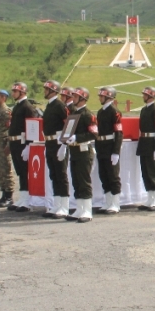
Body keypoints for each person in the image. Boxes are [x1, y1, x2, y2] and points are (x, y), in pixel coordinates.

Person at [64, 87, 98, 222]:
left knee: (84, 181)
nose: (73, 98)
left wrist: (77, 137)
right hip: (74, 151)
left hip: (84, 150)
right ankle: (79, 208)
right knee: (76, 181)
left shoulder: (88, 115)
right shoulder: (73, 113)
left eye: (76, 96)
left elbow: (94, 134)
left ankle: (87, 210)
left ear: (83, 99)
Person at [40, 80, 71, 219]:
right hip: (50, 143)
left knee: (61, 175)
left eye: (46, 89)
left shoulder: (59, 106)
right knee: (54, 175)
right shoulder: (49, 105)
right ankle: (57, 204)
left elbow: (68, 125)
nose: (44, 91)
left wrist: (64, 144)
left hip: (58, 142)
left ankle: (64, 206)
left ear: (53, 90)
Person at [7, 82, 35, 213]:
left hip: (22, 143)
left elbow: (31, 127)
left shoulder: (27, 107)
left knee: (25, 172)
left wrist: (29, 144)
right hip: (15, 143)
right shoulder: (18, 106)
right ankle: (23, 197)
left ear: (22, 92)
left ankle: (27, 200)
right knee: (20, 172)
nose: (13, 94)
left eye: (15, 91)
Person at [96, 86, 124, 215]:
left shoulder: (115, 111)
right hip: (101, 146)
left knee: (113, 176)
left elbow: (119, 132)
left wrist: (116, 151)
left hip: (110, 146)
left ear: (109, 97)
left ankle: (115, 203)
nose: (100, 98)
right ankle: (108, 202)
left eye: (102, 96)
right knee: (104, 175)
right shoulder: (100, 112)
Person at [137, 86, 155, 211]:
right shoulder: (143, 110)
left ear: (151, 96)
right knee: (146, 173)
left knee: (154, 173)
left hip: (152, 144)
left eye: (145, 94)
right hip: (144, 143)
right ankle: (150, 198)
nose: (143, 96)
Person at [0, 89, 15, 207]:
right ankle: (3, 194)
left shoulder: (6, 111)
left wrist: (9, 145)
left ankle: (9, 196)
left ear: (4, 98)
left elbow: (10, 129)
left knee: (6, 169)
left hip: (3, 143)